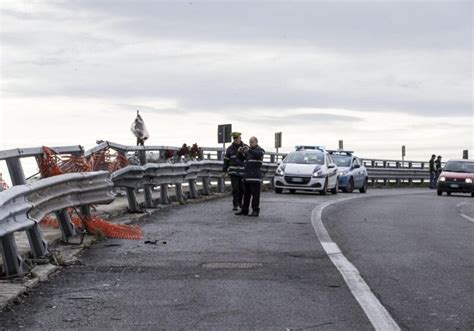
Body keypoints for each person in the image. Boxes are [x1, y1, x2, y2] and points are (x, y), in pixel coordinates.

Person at [236, 136, 265, 217]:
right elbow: (240, 160)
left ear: (256, 142)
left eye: (252, 142)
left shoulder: (260, 150)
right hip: (247, 177)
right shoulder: (248, 152)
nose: (250, 144)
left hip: (255, 177)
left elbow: (258, 154)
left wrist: (249, 150)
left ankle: (255, 210)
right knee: (246, 194)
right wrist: (239, 152)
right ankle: (245, 210)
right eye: (250, 142)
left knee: (255, 195)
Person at [223, 132, 246, 211]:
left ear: (240, 138)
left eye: (237, 138)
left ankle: (240, 202)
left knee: (242, 189)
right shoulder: (230, 148)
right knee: (235, 189)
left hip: (243, 172)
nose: (236, 140)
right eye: (234, 138)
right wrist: (224, 170)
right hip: (233, 172)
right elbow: (226, 160)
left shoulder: (245, 147)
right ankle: (235, 204)